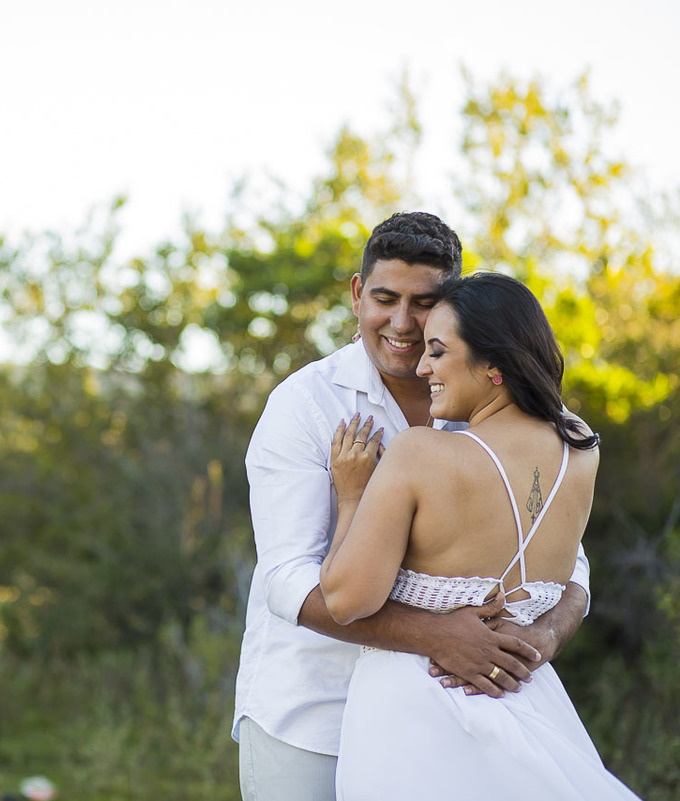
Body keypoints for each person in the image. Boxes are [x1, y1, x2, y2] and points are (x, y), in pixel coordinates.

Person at [232, 212, 591, 801]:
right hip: (314, 713)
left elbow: (567, 560)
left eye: (423, 304)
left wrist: (544, 635)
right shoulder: (305, 404)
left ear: (452, 306)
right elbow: (286, 580)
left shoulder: (505, 411)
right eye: (384, 299)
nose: (401, 324)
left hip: (467, 709)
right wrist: (436, 636)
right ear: (357, 294)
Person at [321, 272, 636, 798]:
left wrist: (352, 494)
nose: (422, 368)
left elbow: (345, 600)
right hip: (525, 696)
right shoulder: (580, 445)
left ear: (494, 364)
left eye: (438, 352)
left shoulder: (421, 454)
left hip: (412, 718)